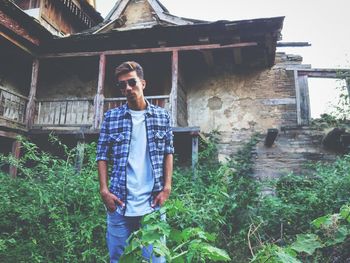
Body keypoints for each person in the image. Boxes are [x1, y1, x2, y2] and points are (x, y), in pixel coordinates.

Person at [96, 61, 174, 262]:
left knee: (156, 260)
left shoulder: (162, 116)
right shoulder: (111, 117)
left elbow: (168, 152)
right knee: (118, 259)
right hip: (119, 203)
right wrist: (104, 191)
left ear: (143, 83)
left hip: (152, 204)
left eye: (132, 82)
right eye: (122, 85)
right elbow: (102, 155)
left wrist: (167, 187)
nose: (128, 88)